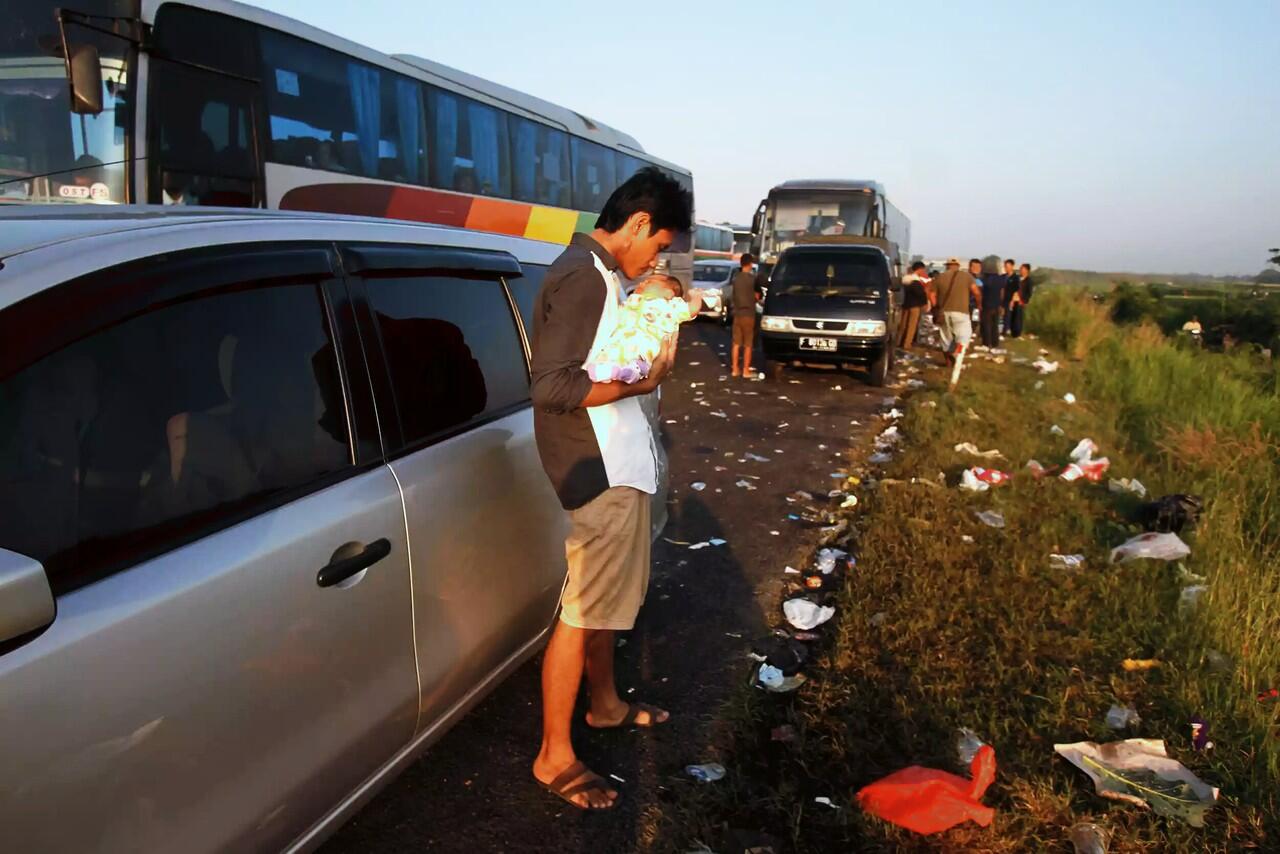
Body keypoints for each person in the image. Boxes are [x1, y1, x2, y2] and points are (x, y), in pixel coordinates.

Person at [528, 166, 693, 810]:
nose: (655, 259)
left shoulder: (599, 278)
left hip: (618, 465)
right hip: (599, 470)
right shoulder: (584, 279)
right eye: (658, 247)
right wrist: (641, 384)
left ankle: (603, 705)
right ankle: (553, 755)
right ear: (640, 224)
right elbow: (553, 387)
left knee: (604, 604)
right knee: (580, 612)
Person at [933, 257, 981, 391]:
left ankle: (949, 361)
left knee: (946, 339)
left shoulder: (940, 277)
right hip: (962, 313)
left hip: (944, 313)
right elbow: (976, 292)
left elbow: (931, 294)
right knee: (963, 338)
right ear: (958, 266)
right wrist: (979, 304)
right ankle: (957, 355)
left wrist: (936, 306)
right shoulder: (966, 277)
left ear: (948, 266)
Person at [730, 252, 761, 377]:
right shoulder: (752, 279)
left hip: (737, 314)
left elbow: (733, 296)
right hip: (749, 314)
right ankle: (746, 370)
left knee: (736, 343)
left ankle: (734, 369)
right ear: (750, 264)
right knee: (748, 343)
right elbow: (757, 297)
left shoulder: (736, 279)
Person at [899, 261, 930, 349]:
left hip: (905, 304)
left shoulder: (905, 279)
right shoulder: (915, 281)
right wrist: (925, 301)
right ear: (920, 269)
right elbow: (920, 293)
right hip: (915, 306)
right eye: (923, 270)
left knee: (903, 325)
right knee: (912, 326)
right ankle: (907, 344)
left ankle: (899, 341)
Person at [977, 258, 1005, 349]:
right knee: (995, 325)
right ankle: (995, 343)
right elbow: (1002, 292)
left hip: (986, 305)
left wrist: (979, 304)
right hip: (996, 305)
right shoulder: (1001, 279)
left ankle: (986, 343)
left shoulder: (983, 279)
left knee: (986, 325)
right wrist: (1001, 305)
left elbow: (979, 293)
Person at [1011, 262, 1034, 337]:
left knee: (1018, 317)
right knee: (1013, 316)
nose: (1020, 270)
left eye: (1022, 269)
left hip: (1021, 301)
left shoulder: (1029, 280)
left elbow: (1029, 292)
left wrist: (1024, 300)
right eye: (1020, 268)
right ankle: (1012, 331)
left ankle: (1017, 333)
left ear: (1027, 270)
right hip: (1014, 300)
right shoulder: (1018, 278)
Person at [1001, 259, 1020, 335]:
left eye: (1008, 266)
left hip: (1010, 299)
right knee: (1001, 315)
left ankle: (1005, 331)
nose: (1007, 268)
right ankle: (1000, 330)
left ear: (1012, 266)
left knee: (1007, 315)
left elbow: (1016, 290)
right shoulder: (1003, 277)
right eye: (1006, 266)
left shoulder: (1015, 278)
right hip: (1002, 298)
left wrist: (1012, 301)